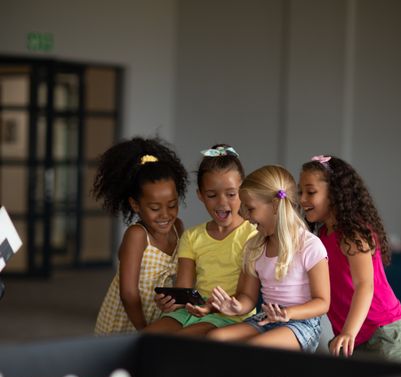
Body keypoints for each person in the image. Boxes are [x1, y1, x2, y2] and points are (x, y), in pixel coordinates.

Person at [299, 154, 401, 363]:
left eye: (311, 192)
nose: (302, 199)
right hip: (353, 338)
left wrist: (348, 332)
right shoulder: (322, 237)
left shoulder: (353, 233)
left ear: (335, 194)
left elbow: (365, 285)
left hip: (382, 333)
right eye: (301, 192)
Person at [208, 165, 330, 352]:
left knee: (257, 348)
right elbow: (248, 296)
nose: (246, 217)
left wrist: (287, 313)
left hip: (301, 324)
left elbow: (322, 302)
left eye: (250, 209)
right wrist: (236, 307)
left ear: (274, 206)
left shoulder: (309, 245)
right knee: (214, 338)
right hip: (267, 318)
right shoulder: (254, 246)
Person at [144, 144, 257, 337]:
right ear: (201, 195)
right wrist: (172, 300)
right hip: (191, 310)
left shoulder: (252, 235)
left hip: (229, 315)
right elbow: (184, 289)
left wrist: (212, 307)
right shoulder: (192, 236)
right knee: (146, 338)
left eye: (231, 194)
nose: (222, 202)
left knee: (183, 341)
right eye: (212, 195)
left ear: (243, 191)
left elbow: (246, 298)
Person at [93, 136, 188, 334]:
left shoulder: (178, 228)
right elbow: (128, 293)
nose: (165, 215)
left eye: (172, 205)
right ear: (135, 205)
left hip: (158, 318)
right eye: (155, 208)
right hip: (128, 322)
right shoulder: (137, 235)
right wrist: (142, 329)